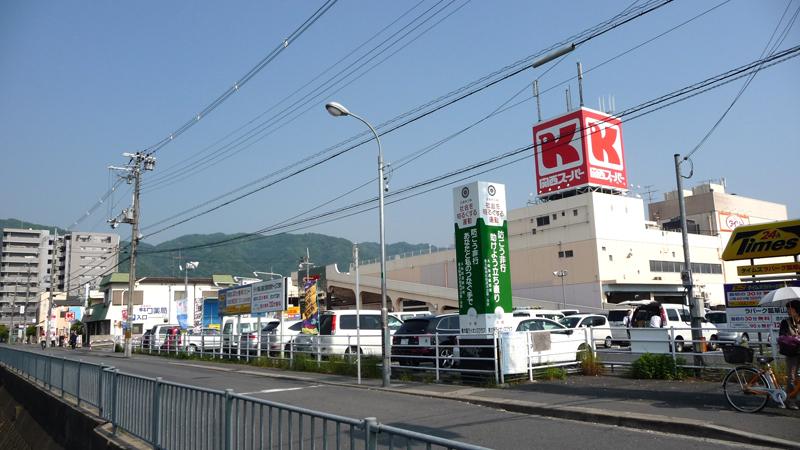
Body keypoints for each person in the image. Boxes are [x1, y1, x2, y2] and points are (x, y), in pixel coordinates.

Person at [779, 299, 800, 410]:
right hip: (792, 353)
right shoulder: (785, 322)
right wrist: (794, 338)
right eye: (787, 309)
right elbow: (782, 337)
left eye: (790, 309)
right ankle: (791, 400)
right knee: (792, 377)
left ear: (797, 310)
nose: (788, 311)